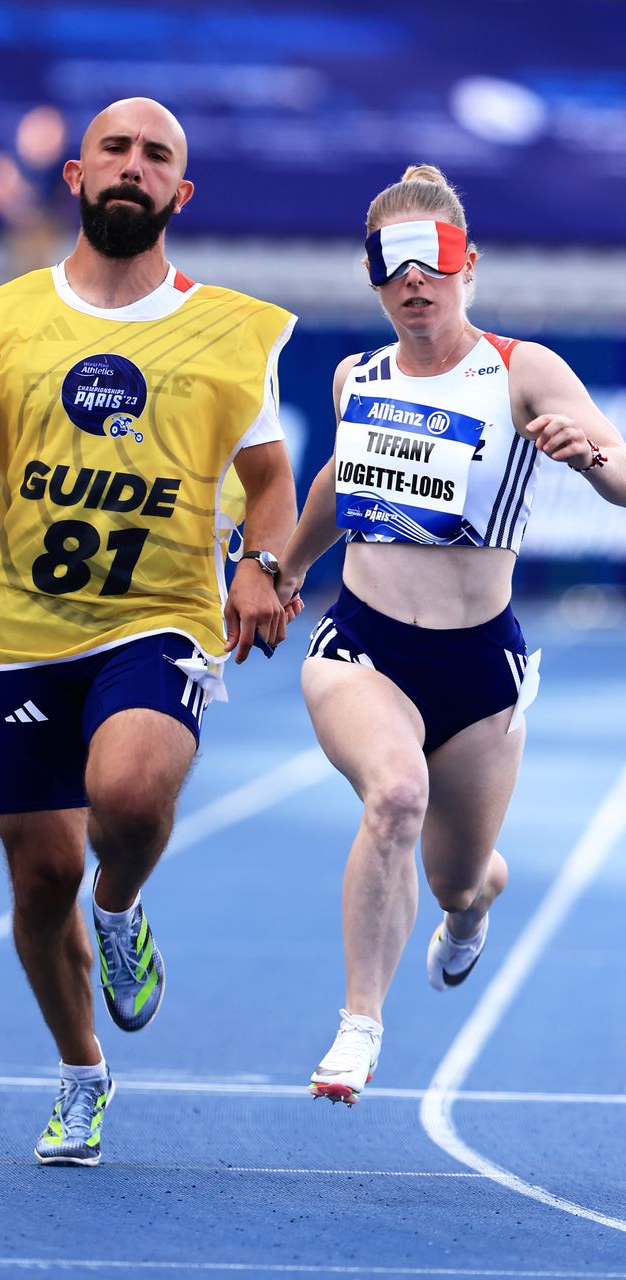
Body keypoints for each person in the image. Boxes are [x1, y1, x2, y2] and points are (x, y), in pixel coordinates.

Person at [0, 97, 301, 1163]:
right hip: (26, 626)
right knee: (39, 877)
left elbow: (270, 481)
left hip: (160, 615)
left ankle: (122, 911)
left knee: (127, 797)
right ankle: (84, 1069)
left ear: (182, 191)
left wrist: (264, 566)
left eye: (157, 155)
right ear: (76, 176)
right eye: (115, 150)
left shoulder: (234, 328)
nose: (134, 166)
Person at [275, 164, 626, 1106]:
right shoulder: (359, 376)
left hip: (480, 671)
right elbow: (332, 487)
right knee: (393, 796)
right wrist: (279, 568)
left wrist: (590, 457)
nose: (415, 281)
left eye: (434, 261)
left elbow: (624, 471)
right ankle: (358, 1027)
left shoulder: (523, 370)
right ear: (374, 278)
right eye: (395, 265)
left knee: (458, 881)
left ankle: (472, 906)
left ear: (468, 267)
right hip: (364, 648)